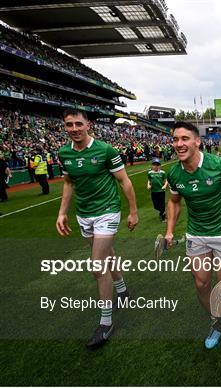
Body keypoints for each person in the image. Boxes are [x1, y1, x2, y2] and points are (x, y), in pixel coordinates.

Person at [56, 109, 139, 349]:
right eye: (69, 124)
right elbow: (69, 183)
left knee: (97, 265)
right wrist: (62, 212)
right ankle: (122, 290)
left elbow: (124, 180)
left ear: (88, 124)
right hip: (85, 215)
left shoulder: (105, 150)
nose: (74, 128)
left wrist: (133, 211)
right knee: (107, 254)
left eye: (78, 123)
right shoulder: (64, 153)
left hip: (107, 211)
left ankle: (105, 322)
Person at [164, 121, 221, 350]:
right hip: (196, 234)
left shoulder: (219, 164)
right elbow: (174, 202)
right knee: (201, 284)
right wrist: (169, 230)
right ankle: (217, 321)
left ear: (197, 141)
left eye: (184, 139)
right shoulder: (174, 173)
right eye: (175, 139)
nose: (179, 144)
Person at [147, 158, 168, 222]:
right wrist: (148, 185)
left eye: (157, 165)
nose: (155, 166)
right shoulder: (150, 173)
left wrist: (165, 185)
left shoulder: (162, 173)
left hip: (161, 191)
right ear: (152, 165)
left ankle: (163, 217)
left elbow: (166, 180)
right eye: (154, 165)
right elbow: (149, 180)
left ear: (160, 165)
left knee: (162, 204)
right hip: (153, 191)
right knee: (156, 205)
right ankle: (162, 212)